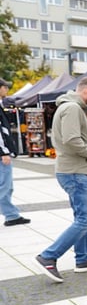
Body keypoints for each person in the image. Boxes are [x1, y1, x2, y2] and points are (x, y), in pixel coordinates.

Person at [34, 77, 87, 282]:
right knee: (86, 218)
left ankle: (83, 259)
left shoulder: (71, 108)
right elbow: (71, 139)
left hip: (74, 170)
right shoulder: (73, 109)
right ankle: (48, 257)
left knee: (81, 218)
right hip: (74, 171)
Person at [0, 78, 30, 227]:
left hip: (3, 153)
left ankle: (11, 215)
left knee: (6, 186)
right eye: (5, 87)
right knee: (4, 186)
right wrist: (3, 152)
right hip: (2, 154)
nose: (7, 90)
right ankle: (11, 215)